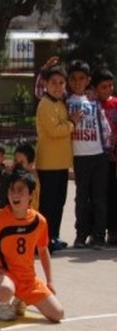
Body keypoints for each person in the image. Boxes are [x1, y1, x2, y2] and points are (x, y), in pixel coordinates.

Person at [0, 169, 64, 323]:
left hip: (28, 279)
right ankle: (2, 303)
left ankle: (20, 299)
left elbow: (43, 251)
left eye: (20, 190)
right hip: (5, 275)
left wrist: (50, 281)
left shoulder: (39, 221)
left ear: (31, 194)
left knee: (58, 314)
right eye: (11, 190)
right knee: (5, 290)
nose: (15, 194)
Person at [66, 60, 111, 249]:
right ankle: (81, 234)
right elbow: (40, 93)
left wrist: (108, 148)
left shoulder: (93, 101)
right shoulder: (65, 101)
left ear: (88, 80)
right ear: (69, 81)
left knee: (100, 197)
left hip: (99, 156)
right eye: (74, 78)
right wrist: (43, 72)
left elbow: (105, 126)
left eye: (82, 78)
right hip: (80, 157)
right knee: (81, 198)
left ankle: (99, 235)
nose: (78, 82)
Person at [36, 64, 80, 253]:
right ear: (46, 84)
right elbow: (55, 131)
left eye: (61, 83)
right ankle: (44, 239)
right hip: (48, 163)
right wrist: (72, 124)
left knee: (59, 202)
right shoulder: (45, 104)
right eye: (53, 82)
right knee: (47, 203)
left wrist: (69, 122)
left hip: (61, 162)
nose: (57, 86)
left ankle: (54, 235)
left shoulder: (61, 102)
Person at [92, 69, 117, 245]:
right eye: (103, 87)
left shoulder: (115, 103)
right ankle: (96, 230)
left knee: (113, 194)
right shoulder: (91, 104)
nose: (108, 90)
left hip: (113, 158)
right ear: (95, 89)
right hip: (96, 156)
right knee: (97, 195)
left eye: (110, 86)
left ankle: (113, 231)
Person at [12, 142, 40, 210]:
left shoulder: (33, 183)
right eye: (15, 161)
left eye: (22, 162)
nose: (18, 165)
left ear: (30, 165)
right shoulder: (10, 178)